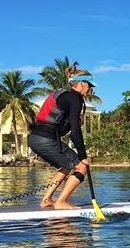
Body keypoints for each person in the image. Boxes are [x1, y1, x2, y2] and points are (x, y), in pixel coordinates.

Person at [28, 64, 97, 209]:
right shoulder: (74, 98)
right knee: (80, 167)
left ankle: (46, 200)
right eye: (90, 86)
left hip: (34, 139)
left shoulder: (63, 95)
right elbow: (76, 131)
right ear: (82, 83)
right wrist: (83, 156)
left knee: (66, 166)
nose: (91, 89)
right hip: (46, 139)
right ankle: (61, 202)